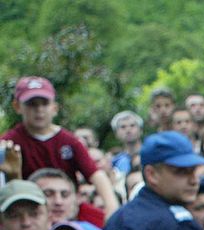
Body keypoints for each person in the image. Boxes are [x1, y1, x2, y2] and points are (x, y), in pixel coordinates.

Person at [2, 77, 119, 219]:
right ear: (17, 107)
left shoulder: (69, 141)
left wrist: (111, 208)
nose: (39, 110)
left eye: (44, 103)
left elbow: (96, 175)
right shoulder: (9, 142)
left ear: (54, 108)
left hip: (67, 212)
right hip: (29, 215)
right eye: (32, 104)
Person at [110, 110, 144, 177]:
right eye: (123, 127)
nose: (128, 130)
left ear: (141, 130)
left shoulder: (151, 153)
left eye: (132, 125)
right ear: (116, 134)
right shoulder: (115, 162)